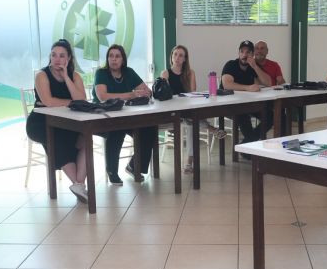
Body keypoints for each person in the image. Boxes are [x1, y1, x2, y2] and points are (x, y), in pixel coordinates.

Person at [25, 38, 89, 202]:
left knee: (84, 138)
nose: (57, 59)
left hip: (68, 122)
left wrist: (67, 77)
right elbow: (48, 101)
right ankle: (79, 185)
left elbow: (82, 99)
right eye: (54, 55)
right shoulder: (42, 75)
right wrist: (72, 103)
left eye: (61, 56)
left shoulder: (74, 76)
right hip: (40, 122)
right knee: (57, 139)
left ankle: (78, 184)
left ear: (69, 59)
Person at [94, 44, 155, 184]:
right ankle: (112, 172)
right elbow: (103, 96)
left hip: (125, 115)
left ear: (123, 59)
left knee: (149, 129)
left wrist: (145, 92)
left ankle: (134, 166)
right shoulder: (101, 73)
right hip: (102, 117)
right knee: (117, 130)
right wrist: (131, 94)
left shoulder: (129, 72)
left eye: (117, 56)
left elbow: (147, 90)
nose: (113, 59)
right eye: (110, 56)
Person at [160, 44, 225, 173]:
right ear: (171, 57)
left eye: (181, 55)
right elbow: (162, 92)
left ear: (185, 59)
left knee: (191, 122)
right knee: (191, 122)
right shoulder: (165, 73)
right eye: (175, 54)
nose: (177, 58)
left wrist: (190, 79)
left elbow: (193, 92)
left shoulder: (190, 73)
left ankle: (189, 163)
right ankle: (211, 129)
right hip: (173, 111)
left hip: (188, 108)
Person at [221, 40, 273, 146]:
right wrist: (248, 88)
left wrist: (255, 67)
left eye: (248, 52)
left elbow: (268, 82)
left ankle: (245, 146)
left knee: (269, 115)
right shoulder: (231, 65)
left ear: (252, 54)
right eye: (242, 51)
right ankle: (249, 149)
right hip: (228, 105)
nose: (244, 55)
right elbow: (227, 85)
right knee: (243, 115)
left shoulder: (253, 66)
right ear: (238, 53)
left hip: (248, 103)